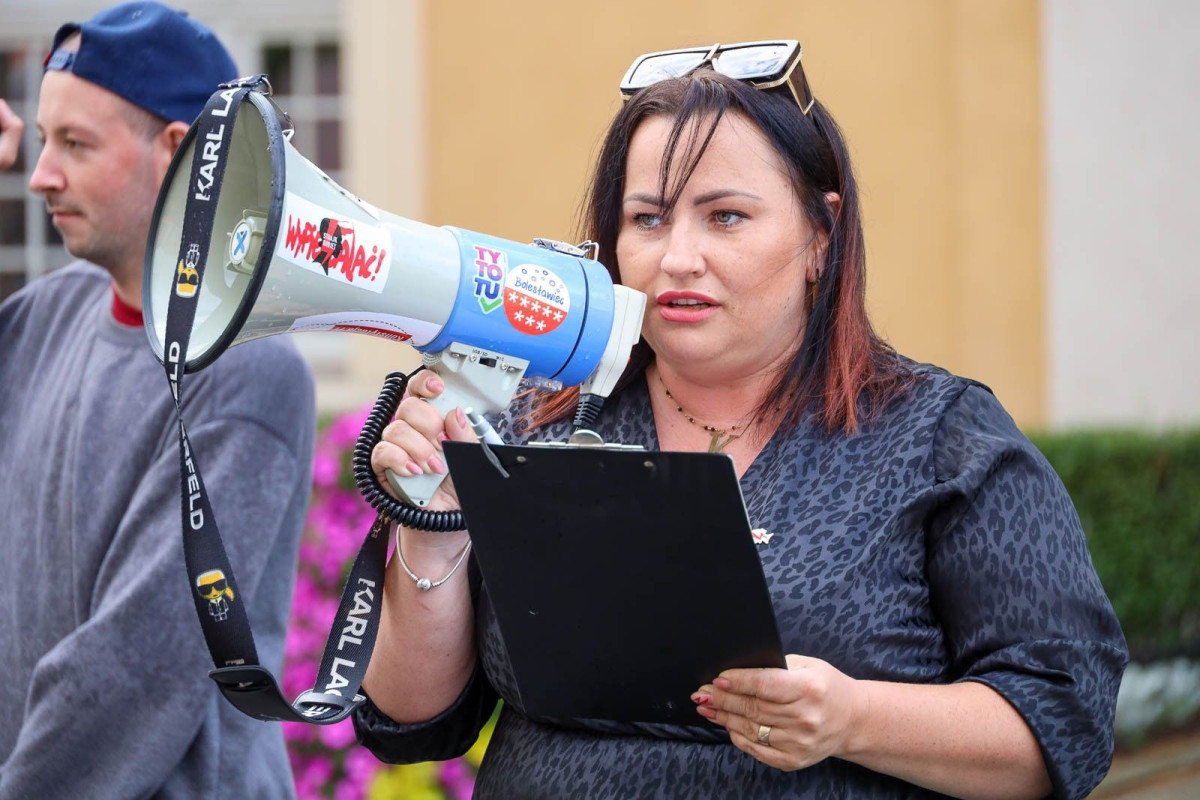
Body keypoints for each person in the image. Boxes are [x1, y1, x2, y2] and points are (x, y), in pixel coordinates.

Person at [355, 40, 1127, 798]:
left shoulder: (940, 438)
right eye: (648, 220)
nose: (677, 257)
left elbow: (1063, 720)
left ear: (821, 235)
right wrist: (431, 527)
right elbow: (411, 721)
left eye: (725, 217)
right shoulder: (529, 421)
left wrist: (855, 719)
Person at [0, 3, 314, 798]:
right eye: (44, 140)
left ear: (178, 152)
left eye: (75, 144)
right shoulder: (40, 319)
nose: (41, 174)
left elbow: (132, 673)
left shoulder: (248, 370)